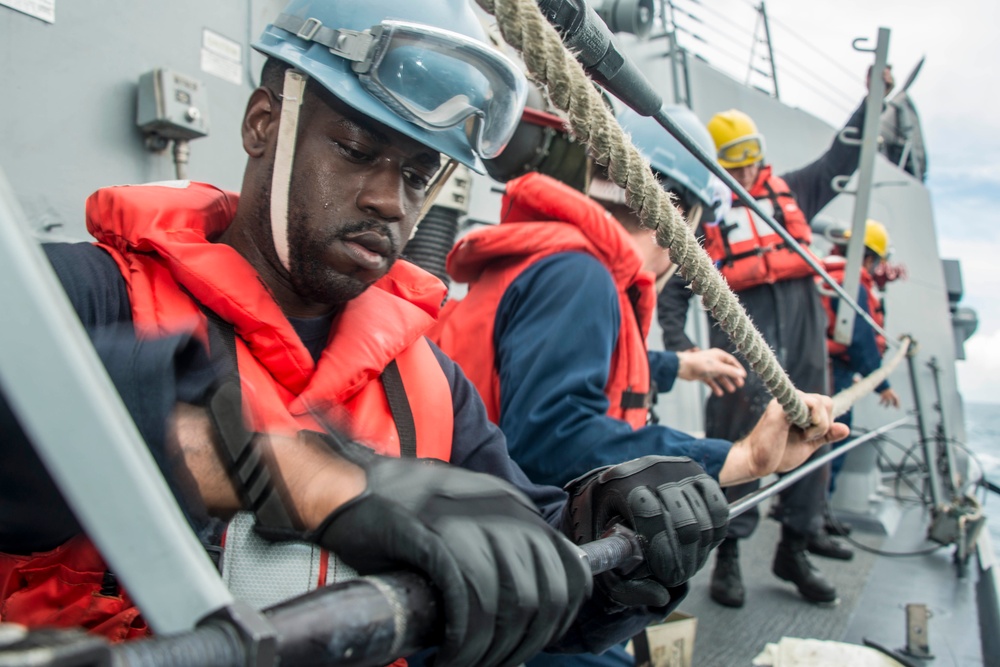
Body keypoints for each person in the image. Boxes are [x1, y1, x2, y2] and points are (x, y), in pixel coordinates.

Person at [0, 3, 846, 666]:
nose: (388, 200)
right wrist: (291, 471)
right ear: (263, 124)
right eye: (357, 146)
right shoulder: (87, 298)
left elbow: (527, 564)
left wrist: (623, 543)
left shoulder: (431, 387)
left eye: (416, 173)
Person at [430, 90, 847, 667]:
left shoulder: (559, 265)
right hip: (503, 577)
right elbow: (553, 437)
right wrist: (740, 458)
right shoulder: (579, 277)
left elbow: (552, 372)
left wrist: (683, 364)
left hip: (471, 545)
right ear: (685, 217)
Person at [658, 67, 895, 608]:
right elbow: (672, 295)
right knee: (738, 454)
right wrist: (685, 348)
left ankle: (794, 547)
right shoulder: (705, 223)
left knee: (814, 443)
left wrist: (872, 100)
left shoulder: (795, 193)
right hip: (743, 364)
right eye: (733, 157)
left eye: (749, 154)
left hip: (807, 349)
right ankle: (730, 557)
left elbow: (843, 158)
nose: (744, 166)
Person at [819, 220, 901, 498]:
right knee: (832, 445)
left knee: (817, 444)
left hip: (819, 366)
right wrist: (882, 383)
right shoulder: (851, 283)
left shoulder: (828, 275)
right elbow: (860, 338)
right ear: (867, 257)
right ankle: (812, 522)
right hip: (836, 374)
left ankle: (804, 515)